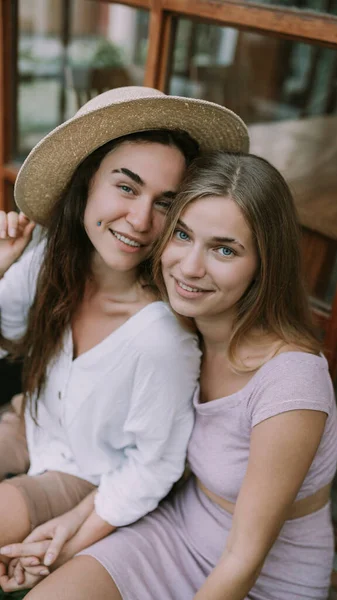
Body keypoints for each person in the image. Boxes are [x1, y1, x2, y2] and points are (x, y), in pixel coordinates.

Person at [7, 151, 337, 599]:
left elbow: (243, 561)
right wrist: (67, 535)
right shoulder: (191, 332)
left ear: (265, 263)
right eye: (183, 235)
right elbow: (153, 460)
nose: (190, 266)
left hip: (260, 579)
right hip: (175, 527)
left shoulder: (291, 384)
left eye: (225, 249)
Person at [0, 88, 249, 591]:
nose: (140, 220)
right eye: (127, 188)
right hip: (31, 422)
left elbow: (153, 468)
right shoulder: (51, 260)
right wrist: (2, 266)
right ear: (88, 182)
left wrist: (73, 534)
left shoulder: (160, 337)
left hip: (83, 475)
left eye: (166, 204)